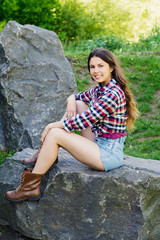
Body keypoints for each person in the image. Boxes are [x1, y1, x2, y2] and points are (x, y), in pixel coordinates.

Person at [4, 48, 139, 202]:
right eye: (92, 67)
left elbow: (86, 119)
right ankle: (44, 154)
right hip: (98, 142)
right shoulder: (100, 89)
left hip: (108, 154)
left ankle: (30, 187)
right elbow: (78, 97)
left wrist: (50, 126)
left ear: (111, 67)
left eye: (100, 66)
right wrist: (71, 99)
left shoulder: (112, 94)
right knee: (79, 103)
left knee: (55, 133)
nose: (96, 71)